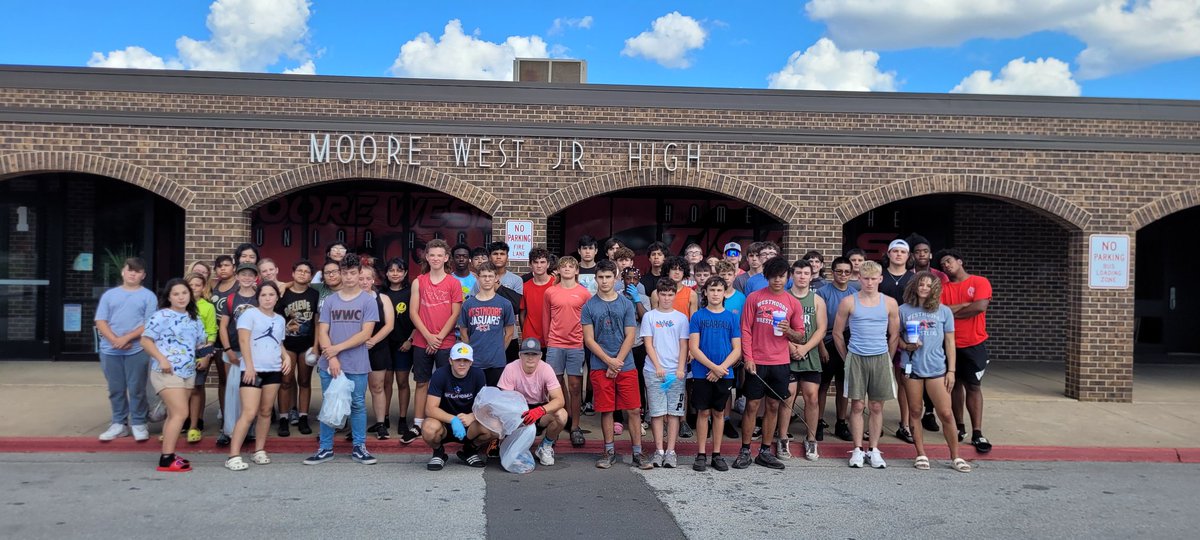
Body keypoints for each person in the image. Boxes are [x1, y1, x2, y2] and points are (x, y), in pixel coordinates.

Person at [304, 253, 380, 466]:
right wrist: (332, 356)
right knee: (329, 402)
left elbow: (366, 334)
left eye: (352, 273)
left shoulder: (368, 301)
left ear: (359, 274)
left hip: (357, 362)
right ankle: (325, 448)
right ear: (339, 274)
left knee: (357, 404)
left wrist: (336, 349)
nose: (348, 277)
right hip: (330, 363)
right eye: (344, 273)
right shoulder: (330, 301)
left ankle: (359, 447)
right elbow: (322, 330)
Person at [735, 257, 805, 470]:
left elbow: (800, 336)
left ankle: (765, 450)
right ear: (767, 276)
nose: (777, 280)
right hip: (757, 360)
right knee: (752, 406)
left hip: (780, 361)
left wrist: (789, 331)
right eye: (773, 276)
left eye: (782, 276)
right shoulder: (754, 298)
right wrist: (748, 358)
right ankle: (745, 450)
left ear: (787, 277)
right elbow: (745, 329)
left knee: (773, 405)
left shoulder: (793, 302)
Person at [899, 272, 971, 472]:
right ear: (914, 286)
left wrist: (952, 370)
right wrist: (906, 346)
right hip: (912, 366)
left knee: (946, 413)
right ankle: (921, 453)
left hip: (937, 368)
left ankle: (956, 456)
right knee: (915, 411)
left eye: (928, 285)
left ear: (935, 289)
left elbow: (950, 342)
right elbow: (895, 337)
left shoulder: (944, 311)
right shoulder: (903, 310)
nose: (924, 288)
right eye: (920, 284)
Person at [583, 261, 650, 469]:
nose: (604, 281)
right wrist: (608, 361)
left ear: (615, 278)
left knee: (633, 409)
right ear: (596, 279)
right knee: (607, 410)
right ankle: (609, 450)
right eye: (601, 277)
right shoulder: (589, 306)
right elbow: (589, 339)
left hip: (626, 365)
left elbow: (631, 335)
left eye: (608, 277)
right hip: (600, 365)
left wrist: (617, 362)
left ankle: (638, 452)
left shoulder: (626, 304)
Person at [833, 261, 900, 469]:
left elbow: (894, 334)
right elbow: (837, 333)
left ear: (880, 279)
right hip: (856, 357)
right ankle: (857, 449)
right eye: (866, 278)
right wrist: (847, 359)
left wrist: (888, 357)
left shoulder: (889, 303)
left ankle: (874, 449)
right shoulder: (848, 302)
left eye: (873, 278)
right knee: (857, 405)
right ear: (859, 278)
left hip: (879, 357)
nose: (869, 282)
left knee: (876, 406)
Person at [141, 279, 207, 472]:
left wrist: (206, 353)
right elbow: (146, 341)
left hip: (188, 372)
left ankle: (169, 453)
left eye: (184, 293)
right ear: (169, 296)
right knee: (181, 413)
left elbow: (199, 344)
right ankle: (166, 458)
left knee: (173, 415)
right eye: (176, 294)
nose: (181, 297)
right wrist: (162, 359)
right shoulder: (161, 316)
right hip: (166, 371)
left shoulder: (194, 318)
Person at [93, 257, 158, 443]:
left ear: (143, 275)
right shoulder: (109, 295)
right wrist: (115, 340)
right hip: (110, 349)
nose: (133, 274)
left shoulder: (148, 296)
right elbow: (101, 321)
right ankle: (119, 423)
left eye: (137, 271)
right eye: (130, 270)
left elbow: (149, 323)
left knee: (137, 388)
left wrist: (127, 338)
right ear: (123, 272)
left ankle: (138, 422)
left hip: (136, 349)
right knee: (116, 388)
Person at [226, 282, 289, 471]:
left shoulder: (279, 319)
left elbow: (278, 342)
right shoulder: (249, 314)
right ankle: (233, 455)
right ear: (258, 298)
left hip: (273, 369)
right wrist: (250, 366)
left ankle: (259, 450)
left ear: (277, 297)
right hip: (253, 370)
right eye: (264, 295)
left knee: (266, 411)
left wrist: (286, 357)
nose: (268, 298)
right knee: (249, 412)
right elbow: (244, 340)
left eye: (271, 295)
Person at [937, 249, 994, 454]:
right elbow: (939, 310)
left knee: (973, 386)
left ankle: (977, 432)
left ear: (959, 261)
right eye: (943, 264)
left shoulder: (979, 282)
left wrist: (951, 310)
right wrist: (963, 305)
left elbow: (979, 307)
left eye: (949, 261)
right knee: (953, 385)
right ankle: (959, 426)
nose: (946, 265)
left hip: (974, 343)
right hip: (949, 344)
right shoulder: (942, 288)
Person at [408, 239, 464, 442]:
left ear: (446, 258)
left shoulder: (453, 282)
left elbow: (455, 313)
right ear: (427, 257)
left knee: (446, 383)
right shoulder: (419, 281)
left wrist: (439, 338)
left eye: (440, 255)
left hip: (445, 342)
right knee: (422, 382)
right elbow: (414, 313)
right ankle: (418, 423)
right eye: (432, 255)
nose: (436, 258)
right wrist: (429, 337)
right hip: (423, 341)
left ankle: (445, 421)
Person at [688, 276, 741, 472]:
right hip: (703, 373)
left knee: (719, 413)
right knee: (703, 412)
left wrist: (721, 369)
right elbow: (694, 347)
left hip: (724, 373)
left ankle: (716, 454)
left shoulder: (731, 317)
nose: (715, 294)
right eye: (712, 290)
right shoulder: (698, 317)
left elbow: (737, 349)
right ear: (705, 293)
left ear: (724, 293)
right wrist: (712, 367)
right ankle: (701, 454)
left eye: (719, 290)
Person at [777, 259, 827, 461]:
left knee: (811, 396)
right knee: (787, 396)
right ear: (792, 275)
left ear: (811, 275)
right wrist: (792, 348)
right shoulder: (783, 298)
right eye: (798, 273)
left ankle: (811, 439)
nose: (802, 277)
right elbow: (778, 329)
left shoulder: (817, 300)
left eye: (806, 273)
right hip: (786, 353)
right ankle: (782, 437)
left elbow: (821, 329)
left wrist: (805, 347)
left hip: (810, 354)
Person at [640, 279, 690, 468]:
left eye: (670, 294)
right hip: (654, 372)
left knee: (674, 412)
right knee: (657, 412)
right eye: (663, 294)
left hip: (675, 373)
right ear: (657, 295)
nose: (667, 298)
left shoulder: (681, 318)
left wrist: (680, 368)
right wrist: (657, 365)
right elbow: (648, 343)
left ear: (674, 295)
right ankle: (659, 450)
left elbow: (684, 345)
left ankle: (671, 451)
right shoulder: (650, 317)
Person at [421, 343, 495, 470]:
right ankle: (439, 452)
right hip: (444, 424)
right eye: (458, 360)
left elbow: (485, 406)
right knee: (428, 428)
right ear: (450, 360)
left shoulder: (478, 375)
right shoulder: (440, 374)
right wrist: (453, 420)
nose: (462, 364)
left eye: (466, 360)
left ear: (471, 362)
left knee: (495, 426)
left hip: (469, 424)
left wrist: (472, 416)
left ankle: (470, 450)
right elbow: (430, 408)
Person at [542, 256, 591, 447]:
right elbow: (546, 318)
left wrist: (584, 341)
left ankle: (575, 426)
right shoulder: (550, 292)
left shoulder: (584, 293)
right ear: (559, 270)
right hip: (555, 343)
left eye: (572, 266)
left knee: (575, 387)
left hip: (576, 345)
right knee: (554, 387)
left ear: (577, 271)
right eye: (564, 267)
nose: (568, 269)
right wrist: (548, 341)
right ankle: (556, 425)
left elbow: (588, 321)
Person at [499, 337, 569, 466]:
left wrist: (540, 410)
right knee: (497, 414)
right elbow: (505, 401)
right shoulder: (510, 368)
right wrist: (517, 416)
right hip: (517, 408)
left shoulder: (546, 369)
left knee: (562, 415)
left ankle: (545, 446)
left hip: (539, 407)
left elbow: (560, 400)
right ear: (520, 355)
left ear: (540, 355)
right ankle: (507, 443)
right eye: (526, 353)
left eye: (534, 354)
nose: (530, 358)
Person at [216, 262, 259, 447]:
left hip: (254, 352)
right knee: (232, 390)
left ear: (255, 277)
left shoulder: (260, 298)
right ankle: (229, 429)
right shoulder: (231, 299)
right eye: (243, 274)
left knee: (250, 391)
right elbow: (223, 327)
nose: (247, 278)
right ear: (238, 277)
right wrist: (228, 350)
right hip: (234, 351)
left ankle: (248, 429)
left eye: (251, 275)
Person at [877, 239, 916, 444]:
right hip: (880, 333)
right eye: (895, 251)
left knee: (904, 381)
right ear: (889, 254)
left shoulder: (914, 278)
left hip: (906, 334)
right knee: (880, 380)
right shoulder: (880, 276)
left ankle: (905, 424)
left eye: (903, 252)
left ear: (908, 256)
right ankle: (877, 425)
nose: (899, 255)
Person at [276, 259, 319, 437]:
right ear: (292, 273)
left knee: (304, 381)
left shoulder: (314, 294)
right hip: (287, 345)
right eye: (299, 270)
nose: (302, 273)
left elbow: (317, 321)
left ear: (311, 276)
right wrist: (280, 348)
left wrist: (316, 346)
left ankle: (303, 416)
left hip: (307, 344)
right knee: (285, 381)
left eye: (307, 271)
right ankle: (284, 418)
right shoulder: (283, 294)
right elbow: (277, 322)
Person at [816, 256, 856, 441]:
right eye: (839, 271)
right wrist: (822, 347)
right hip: (827, 341)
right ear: (833, 273)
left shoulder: (855, 292)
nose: (843, 275)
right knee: (823, 385)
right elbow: (818, 324)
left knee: (843, 385)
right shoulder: (823, 293)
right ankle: (818, 422)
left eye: (847, 271)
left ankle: (841, 423)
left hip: (849, 341)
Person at [458, 262, 517, 386]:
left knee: (494, 398)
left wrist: (500, 350)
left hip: (496, 361)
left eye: (490, 276)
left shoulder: (505, 303)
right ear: (478, 278)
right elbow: (463, 332)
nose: (487, 279)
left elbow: (509, 332)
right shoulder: (468, 304)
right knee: (475, 398)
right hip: (475, 360)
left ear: (496, 278)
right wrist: (470, 351)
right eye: (483, 276)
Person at [383, 258, 420, 444]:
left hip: (404, 343)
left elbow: (417, 317)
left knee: (403, 381)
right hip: (384, 345)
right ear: (386, 273)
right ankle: (385, 417)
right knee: (385, 382)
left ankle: (403, 418)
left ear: (405, 273)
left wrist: (410, 339)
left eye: (399, 270)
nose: (395, 273)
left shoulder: (410, 292)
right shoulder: (381, 293)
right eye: (391, 270)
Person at [360, 264, 395, 440]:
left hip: (378, 347)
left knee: (377, 386)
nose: (364, 281)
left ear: (373, 280)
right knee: (357, 389)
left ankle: (381, 424)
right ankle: (356, 425)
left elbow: (389, 325)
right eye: (361, 278)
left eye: (368, 278)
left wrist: (373, 340)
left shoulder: (383, 299)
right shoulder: (349, 299)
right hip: (355, 348)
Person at [184, 272, 217, 443]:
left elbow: (211, 333)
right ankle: (175, 425)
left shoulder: (207, 307)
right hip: (179, 354)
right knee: (178, 390)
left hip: (199, 352)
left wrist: (205, 357)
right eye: (190, 285)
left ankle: (193, 426)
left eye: (197, 285)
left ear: (203, 288)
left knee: (196, 389)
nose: (194, 288)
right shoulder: (177, 305)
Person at [209, 255, 237, 423]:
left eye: (226, 265)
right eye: (219, 266)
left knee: (235, 379)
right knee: (223, 379)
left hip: (234, 338)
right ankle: (225, 413)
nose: (223, 268)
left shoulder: (239, 285)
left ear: (233, 267)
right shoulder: (213, 285)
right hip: (215, 337)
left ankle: (237, 414)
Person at [520, 247, 556, 347]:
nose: (539, 266)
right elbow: (522, 314)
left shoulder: (556, 285)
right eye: (535, 262)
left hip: (551, 337)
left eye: (542, 262)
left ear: (548, 264)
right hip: (530, 337)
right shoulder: (525, 286)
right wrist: (526, 332)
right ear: (530, 264)